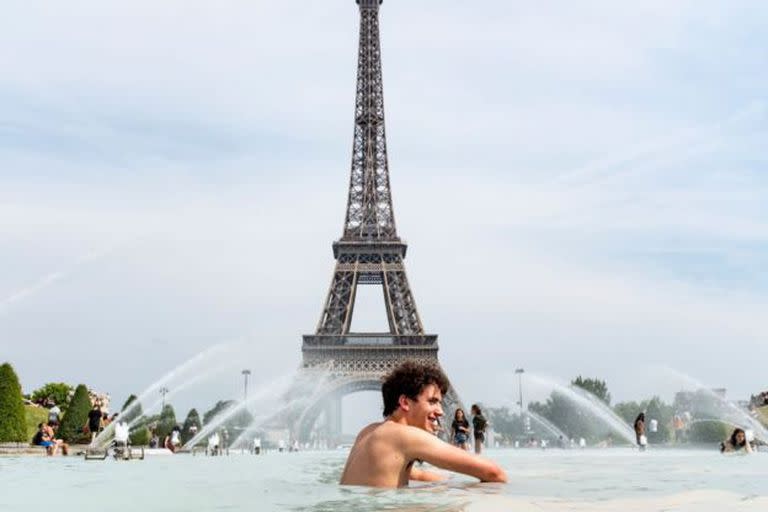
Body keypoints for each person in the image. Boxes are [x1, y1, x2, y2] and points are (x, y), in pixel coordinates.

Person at [340, 360, 507, 488]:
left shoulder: (368, 432)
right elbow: (494, 472)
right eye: (433, 401)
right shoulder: (406, 435)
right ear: (405, 402)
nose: (440, 411)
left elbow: (410, 474)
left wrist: (443, 482)